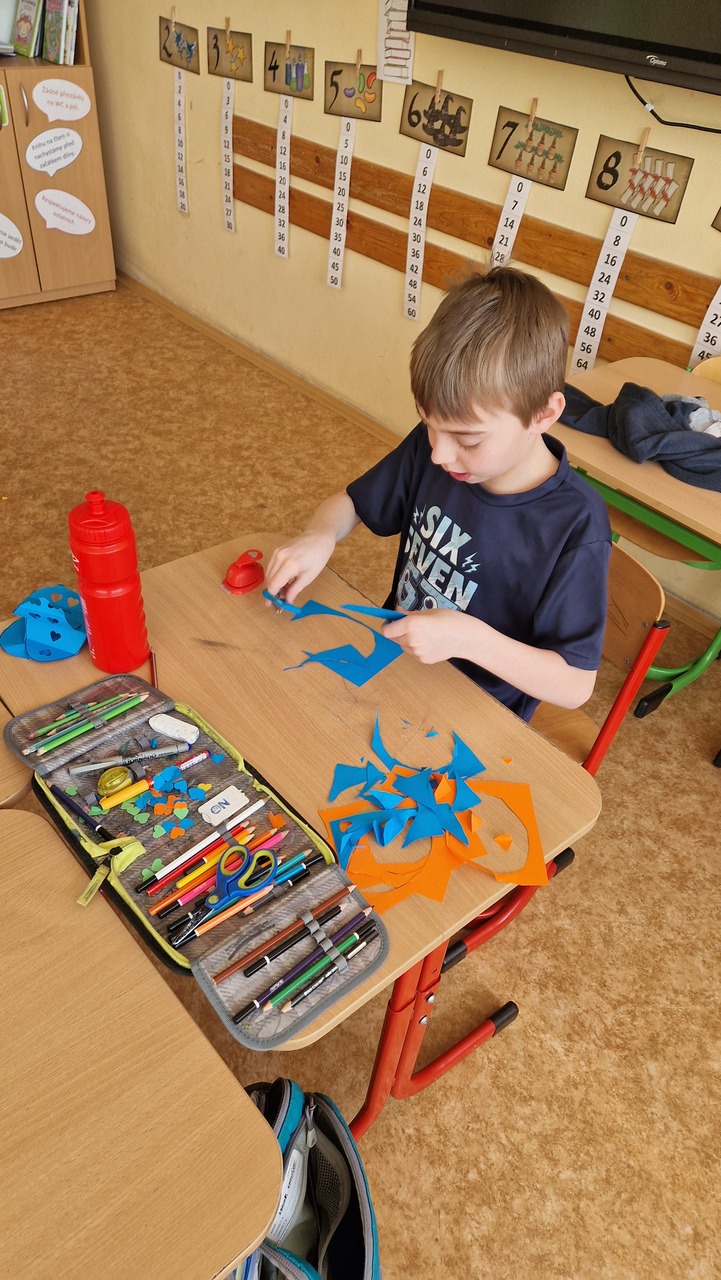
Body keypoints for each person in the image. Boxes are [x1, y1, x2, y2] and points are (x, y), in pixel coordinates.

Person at [265, 266, 612, 721]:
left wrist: (469, 639)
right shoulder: (441, 449)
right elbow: (351, 504)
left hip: (476, 711)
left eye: (467, 440)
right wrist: (320, 535)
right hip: (393, 665)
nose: (440, 454)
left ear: (543, 415)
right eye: (429, 425)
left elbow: (575, 684)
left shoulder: (576, 524)